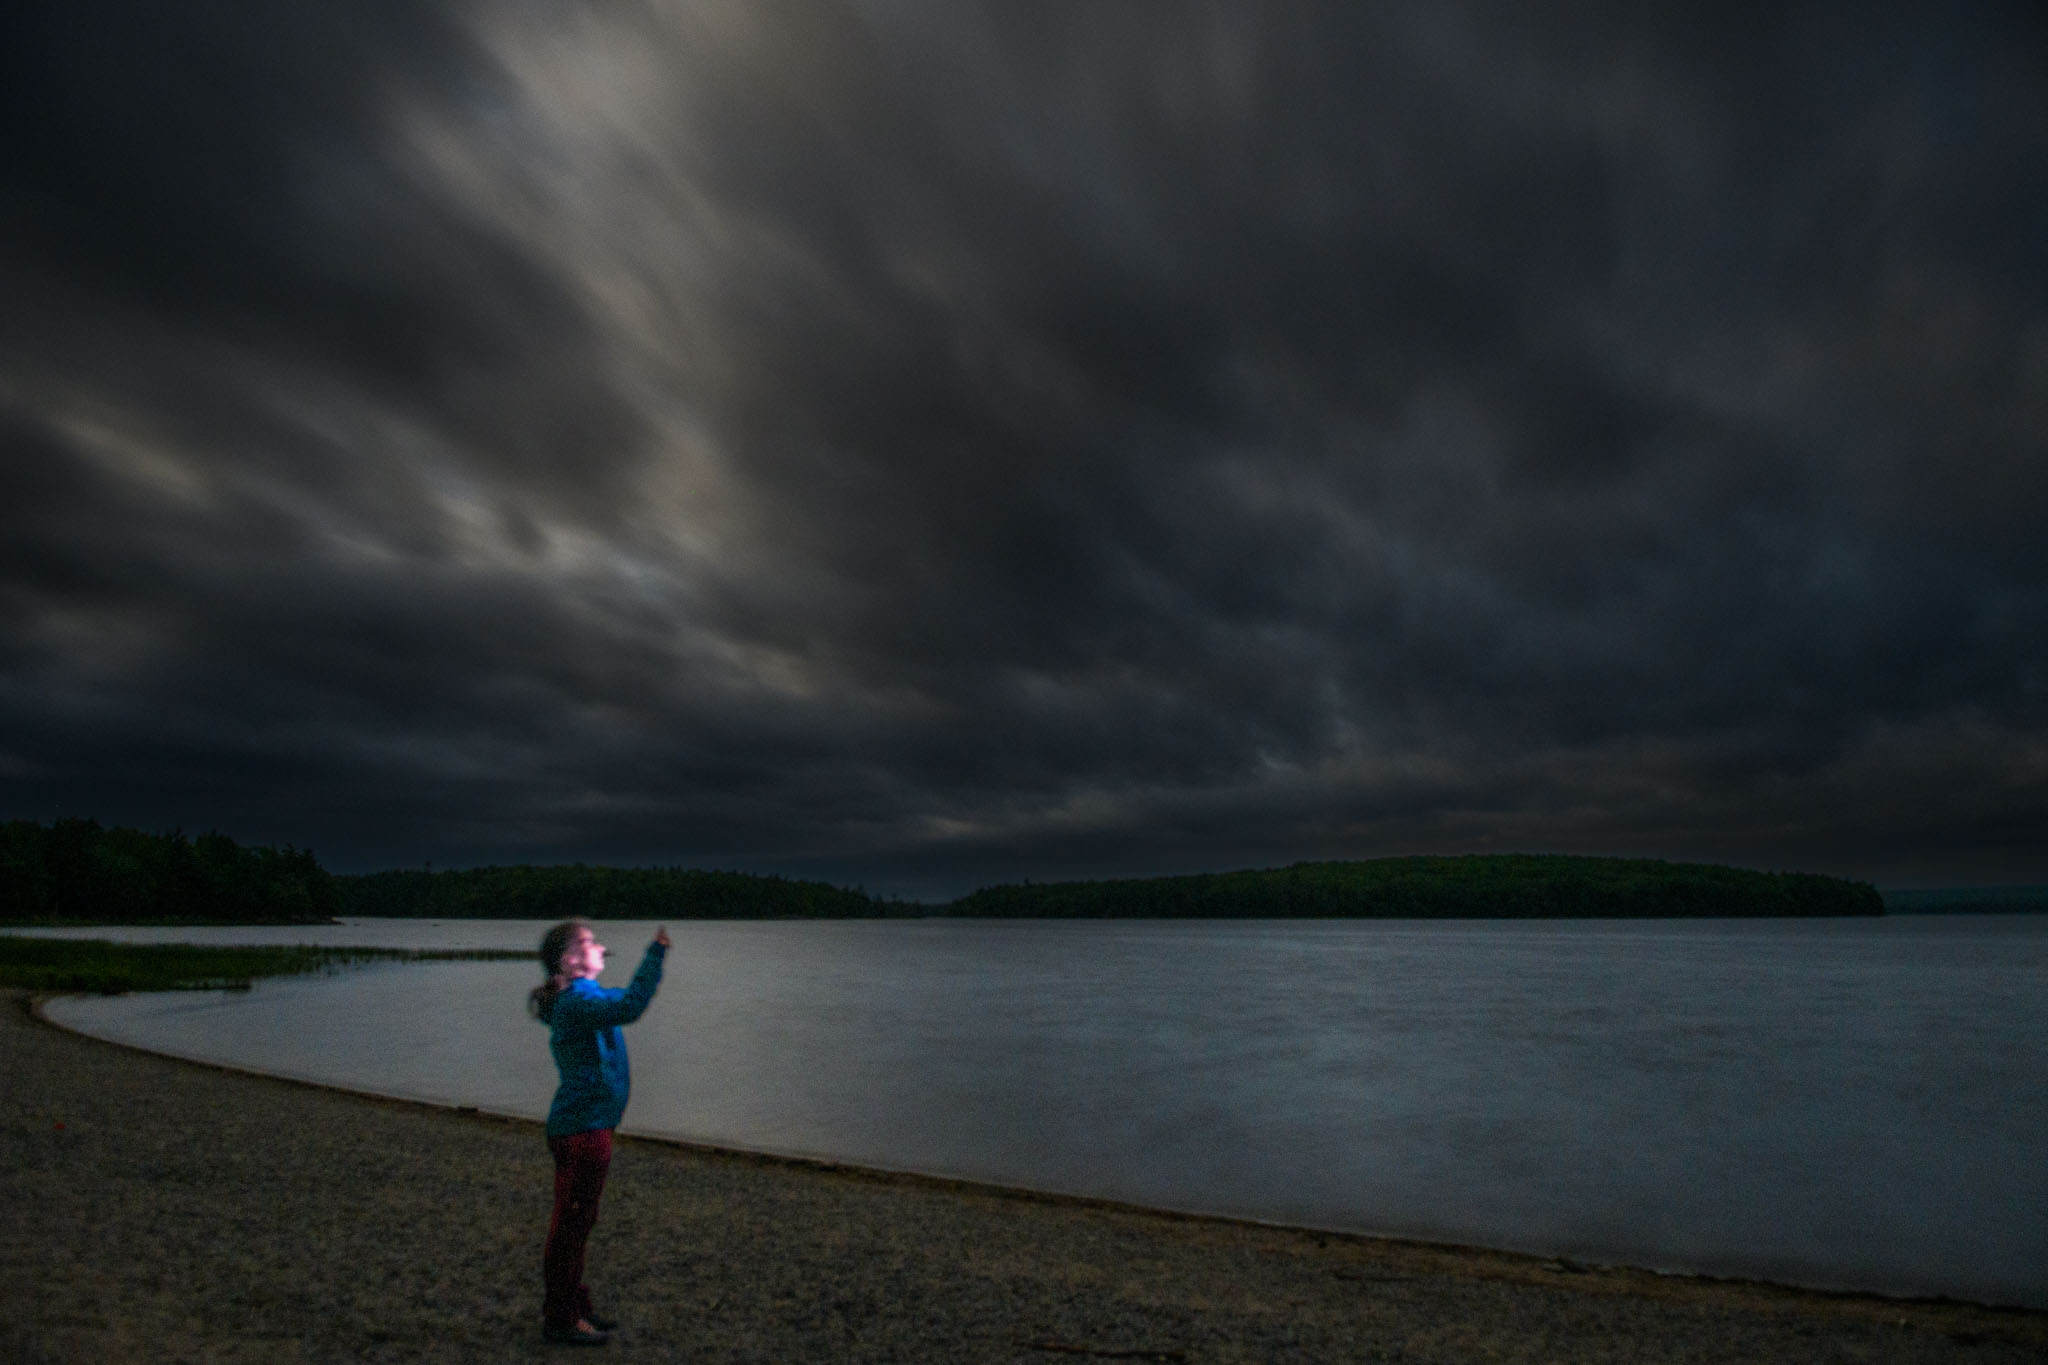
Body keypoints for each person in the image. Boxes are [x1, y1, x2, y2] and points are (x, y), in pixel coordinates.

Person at [529, 918, 669, 1347]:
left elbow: (619, 1003)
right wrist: (655, 953)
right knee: (571, 1226)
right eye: (590, 942)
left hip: (590, 1129)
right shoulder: (576, 1003)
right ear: (571, 960)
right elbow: (629, 1005)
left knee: (579, 1222)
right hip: (581, 1132)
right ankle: (561, 1319)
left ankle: (575, 1308)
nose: (602, 947)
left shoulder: (582, 998)